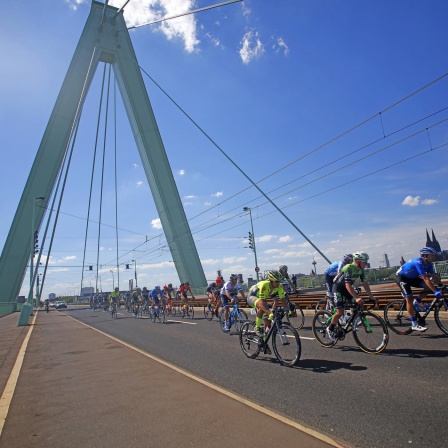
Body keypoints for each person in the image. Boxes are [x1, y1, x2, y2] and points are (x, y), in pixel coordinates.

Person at [326, 252, 378, 341]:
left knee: (359, 303)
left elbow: (365, 284)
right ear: (357, 261)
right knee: (340, 312)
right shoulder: (349, 268)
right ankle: (330, 328)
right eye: (364, 261)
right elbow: (348, 285)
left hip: (346, 289)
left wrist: (371, 296)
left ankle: (351, 321)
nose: (366, 263)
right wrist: (357, 297)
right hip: (338, 288)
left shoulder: (361, 270)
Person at [396, 247, 443, 332]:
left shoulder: (429, 264)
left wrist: (441, 286)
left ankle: (416, 301)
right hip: (402, 278)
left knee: (428, 286)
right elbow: (425, 278)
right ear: (425, 256)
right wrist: (435, 291)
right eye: (432, 256)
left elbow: (434, 276)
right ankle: (414, 324)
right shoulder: (418, 262)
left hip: (412, 278)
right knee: (409, 298)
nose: (434, 257)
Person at [246, 270, 288, 354]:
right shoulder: (265, 285)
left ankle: (264, 344)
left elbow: (282, 299)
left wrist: (287, 310)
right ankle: (257, 327)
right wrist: (270, 313)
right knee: (262, 305)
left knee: (268, 323)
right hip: (252, 296)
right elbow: (261, 302)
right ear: (271, 281)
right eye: (276, 281)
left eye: (279, 281)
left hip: (261, 299)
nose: (278, 283)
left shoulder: (279, 286)